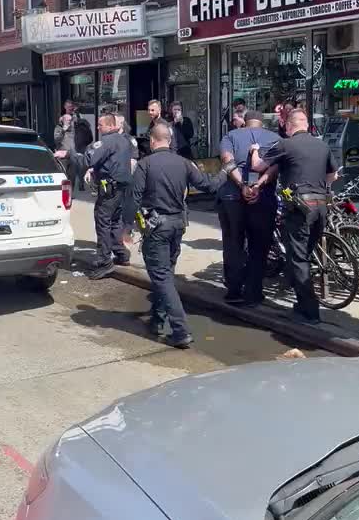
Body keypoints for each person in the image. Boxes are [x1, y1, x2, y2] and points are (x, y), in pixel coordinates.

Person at [133, 122, 221, 348]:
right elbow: (207, 185)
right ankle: (158, 318)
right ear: (170, 141)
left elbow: (133, 197)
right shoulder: (184, 163)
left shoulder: (145, 165)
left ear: (152, 141)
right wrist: (226, 173)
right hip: (177, 225)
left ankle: (180, 330)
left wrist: (125, 227)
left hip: (157, 228)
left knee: (161, 277)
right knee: (166, 273)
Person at [251, 108, 337, 324]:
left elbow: (258, 166)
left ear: (289, 126)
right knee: (304, 256)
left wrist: (254, 150)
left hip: (299, 208)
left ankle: (309, 312)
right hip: (321, 207)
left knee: (298, 259)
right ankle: (299, 299)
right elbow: (333, 175)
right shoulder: (322, 145)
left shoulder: (285, 144)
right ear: (307, 125)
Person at [219, 111, 279, 304]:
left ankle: (234, 291)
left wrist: (242, 185)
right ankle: (254, 293)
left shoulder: (231, 136)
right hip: (263, 198)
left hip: (232, 197)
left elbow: (227, 161)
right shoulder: (275, 139)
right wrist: (258, 186)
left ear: (245, 123)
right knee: (259, 246)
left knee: (233, 242)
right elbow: (275, 167)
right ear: (262, 123)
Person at [84, 113, 134, 279]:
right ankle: (121, 254)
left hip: (109, 189)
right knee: (114, 222)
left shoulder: (107, 142)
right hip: (121, 189)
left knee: (103, 222)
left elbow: (91, 159)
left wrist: (86, 154)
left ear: (111, 126)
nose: (98, 127)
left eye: (100, 125)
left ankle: (104, 261)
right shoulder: (125, 141)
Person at [54, 100, 80, 192]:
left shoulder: (74, 122)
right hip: (62, 152)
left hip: (72, 152)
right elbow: (57, 139)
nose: (69, 122)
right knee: (64, 174)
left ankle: (70, 192)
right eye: (67, 121)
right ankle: (63, 191)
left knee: (72, 174)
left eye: (70, 120)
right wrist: (63, 129)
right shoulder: (59, 127)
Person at [74, 106, 93, 191]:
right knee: (81, 166)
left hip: (75, 147)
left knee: (75, 166)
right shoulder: (86, 125)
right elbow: (90, 138)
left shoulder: (74, 125)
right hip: (82, 147)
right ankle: (81, 184)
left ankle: (77, 184)